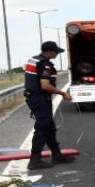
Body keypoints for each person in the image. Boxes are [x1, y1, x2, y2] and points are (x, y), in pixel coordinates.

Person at [24, 41, 76, 170]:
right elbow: (45, 85)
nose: (57, 54)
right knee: (42, 128)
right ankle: (34, 161)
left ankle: (57, 155)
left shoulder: (34, 60)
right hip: (39, 99)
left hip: (35, 97)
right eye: (56, 52)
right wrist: (63, 93)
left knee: (49, 127)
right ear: (48, 52)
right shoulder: (45, 64)